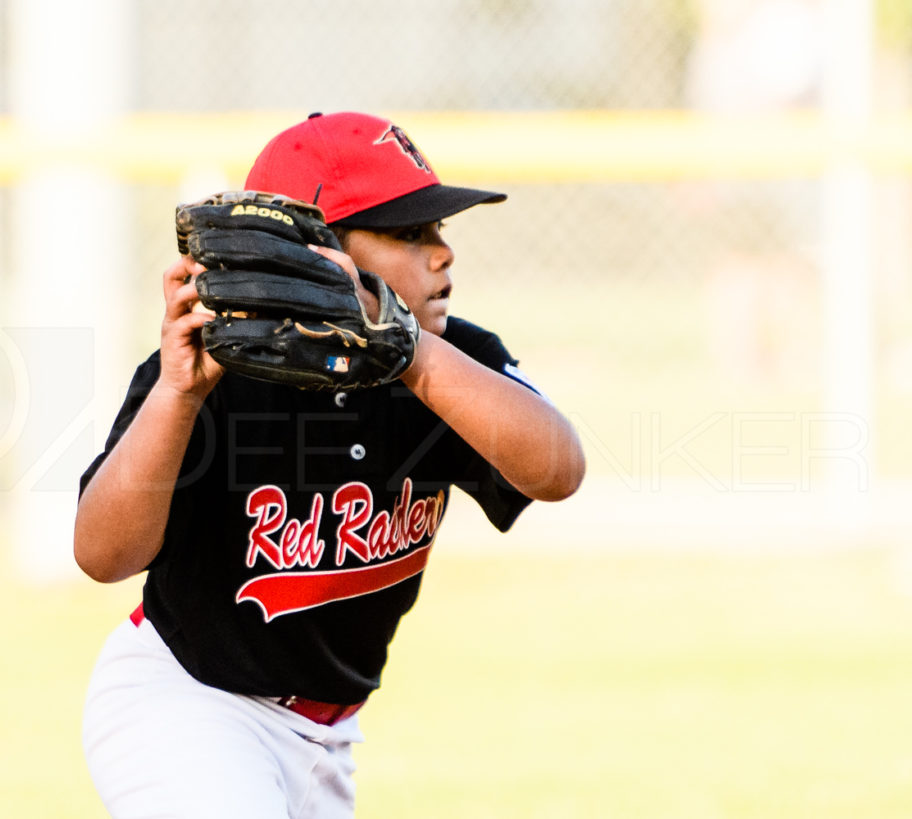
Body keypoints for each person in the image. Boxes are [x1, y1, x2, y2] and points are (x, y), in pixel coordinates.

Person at [74, 111, 585, 818]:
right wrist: (175, 395)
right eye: (410, 233)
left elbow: (558, 469)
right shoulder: (212, 376)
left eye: (438, 229)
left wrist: (410, 355)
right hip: (188, 703)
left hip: (330, 734)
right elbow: (103, 555)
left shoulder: (450, 365)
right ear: (312, 253)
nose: (443, 253)